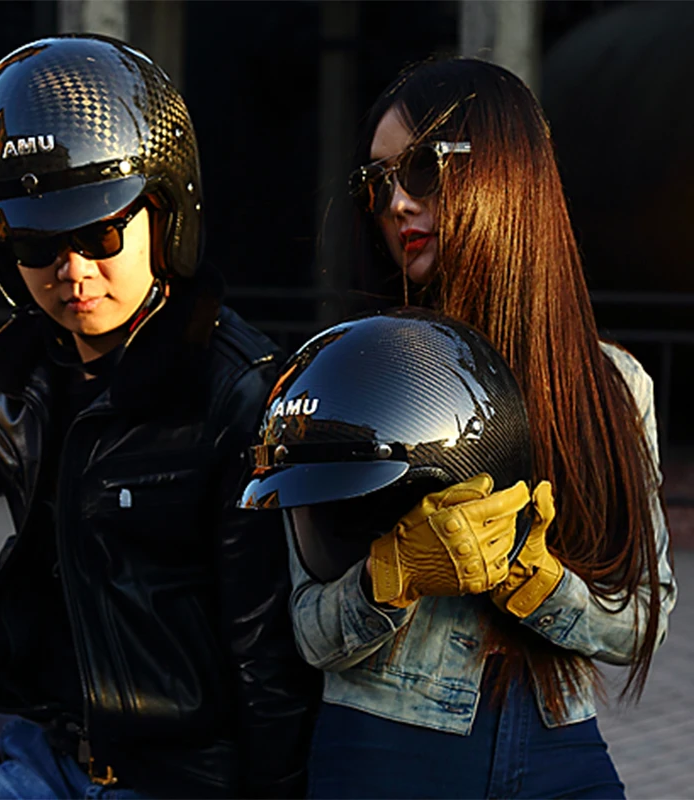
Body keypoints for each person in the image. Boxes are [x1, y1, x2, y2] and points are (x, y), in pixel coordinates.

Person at [0, 34, 317, 800]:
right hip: (45, 760)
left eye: (100, 233)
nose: (74, 271)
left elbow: (267, 655)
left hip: (182, 783)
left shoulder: (235, 395)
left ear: (164, 212)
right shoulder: (14, 383)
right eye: (37, 245)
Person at [249, 58, 676, 799]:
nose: (396, 202)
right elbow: (312, 630)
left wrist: (538, 583)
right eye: (377, 181)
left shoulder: (609, 384)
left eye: (421, 169)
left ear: (507, 175)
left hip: (561, 745)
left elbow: (644, 619)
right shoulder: (349, 373)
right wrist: (393, 576)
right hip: (390, 744)